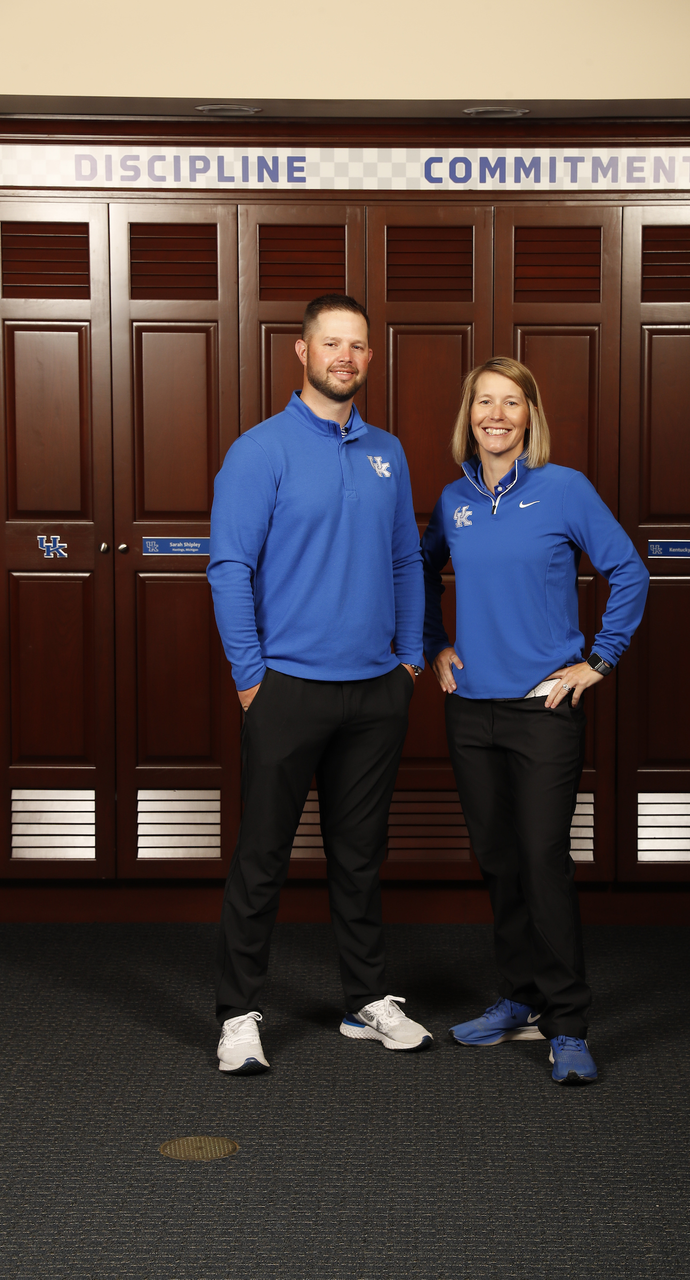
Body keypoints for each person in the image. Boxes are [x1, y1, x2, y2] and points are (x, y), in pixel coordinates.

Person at [207, 293, 432, 1073]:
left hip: (376, 691)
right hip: (286, 689)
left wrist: (408, 660)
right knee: (262, 857)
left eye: (358, 346)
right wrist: (249, 681)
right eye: (331, 343)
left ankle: (366, 1001)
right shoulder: (259, 450)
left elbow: (407, 559)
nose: (346, 356)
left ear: (369, 358)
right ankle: (238, 1013)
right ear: (301, 353)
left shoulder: (389, 452)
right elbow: (229, 567)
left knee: (360, 855)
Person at [421, 357, 649, 1085]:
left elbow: (630, 571)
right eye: (483, 401)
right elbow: (417, 570)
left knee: (543, 861)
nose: (495, 414)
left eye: (509, 403)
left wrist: (599, 661)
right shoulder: (452, 500)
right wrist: (433, 645)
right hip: (470, 709)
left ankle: (568, 1022)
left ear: (528, 416)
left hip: (544, 710)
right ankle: (517, 997)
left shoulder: (563, 490)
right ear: (469, 414)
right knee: (498, 860)